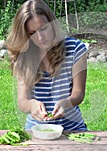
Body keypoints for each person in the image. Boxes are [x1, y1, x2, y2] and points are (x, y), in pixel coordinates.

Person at [5, 0, 88, 131]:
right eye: (32, 33)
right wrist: (32, 105)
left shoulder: (75, 49)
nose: (41, 37)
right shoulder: (23, 56)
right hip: (36, 130)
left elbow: (79, 93)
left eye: (44, 29)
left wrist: (66, 103)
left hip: (73, 129)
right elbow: (23, 101)